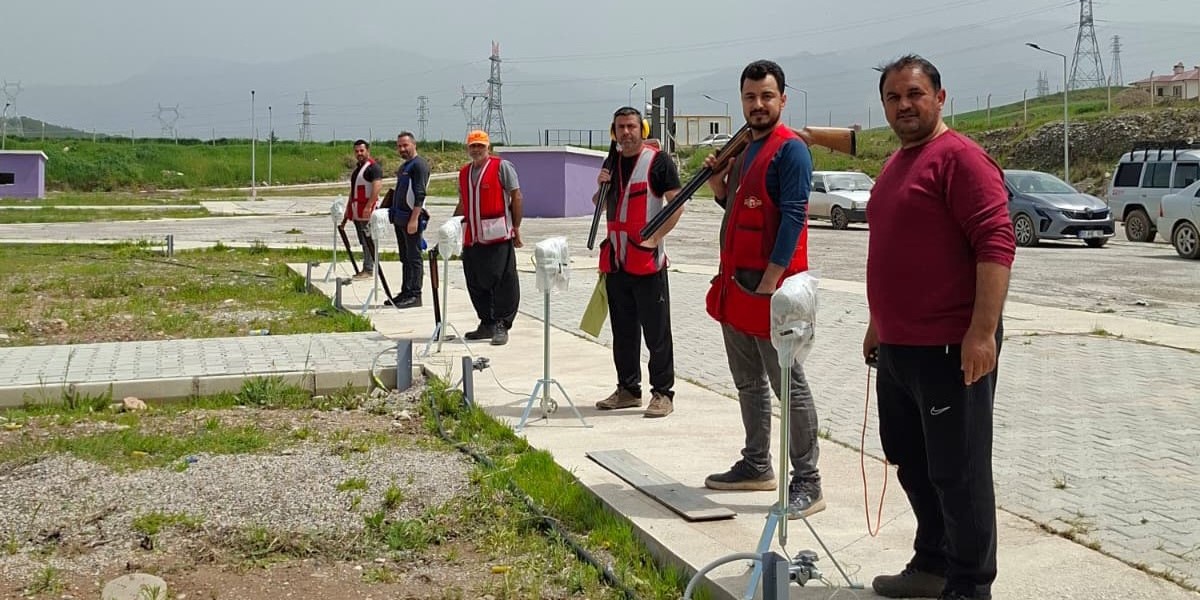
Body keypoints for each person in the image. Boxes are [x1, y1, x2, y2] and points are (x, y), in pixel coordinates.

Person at [864, 55, 1015, 600]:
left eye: (915, 94)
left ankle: (970, 585)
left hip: (952, 347)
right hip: (900, 347)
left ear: (940, 98)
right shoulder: (897, 163)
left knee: (959, 471)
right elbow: (894, 249)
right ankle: (932, 563)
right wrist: (878, 323)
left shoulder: (962, 160)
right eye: (894, 97)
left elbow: (996, 245)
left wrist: (982, 333)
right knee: (910, 459)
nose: (904, 105)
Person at [700, 59, 824, 519]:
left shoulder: (790, 150)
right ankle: (756, 465)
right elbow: (739, 211)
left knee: (788, 386)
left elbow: (793, 215)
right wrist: (717, 187)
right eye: (750, 97)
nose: (758, 105)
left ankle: (808, 481)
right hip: (737, 288)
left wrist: (772, 281)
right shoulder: (746, 149)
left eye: (767, 96)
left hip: (773, 293)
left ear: (783, 100)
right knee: (748, 383)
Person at [592, 107, 683, 419]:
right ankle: (628, 390)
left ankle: (663, 392)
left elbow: (677, 203)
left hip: (647, 262)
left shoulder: (658, 162)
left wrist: (656, 237)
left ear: (641, 129)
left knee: (657, 333)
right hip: (617, 262)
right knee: (623, 332)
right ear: (614, 131)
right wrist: (601, 185)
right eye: (621, 127)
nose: (626, 132)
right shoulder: (612, 162)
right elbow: (600, 205)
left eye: (631, 126)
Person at [454, 130, 523, 346]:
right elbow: (463, 202)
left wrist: (517, 227)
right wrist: (452, 226)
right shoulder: (464, 173)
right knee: (475, 280)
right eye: (472, 146)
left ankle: (502, 324)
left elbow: (516, 196)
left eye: (480, 145)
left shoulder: (501, 167)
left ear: (488, 147)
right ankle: (486, 323)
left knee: (502, 280)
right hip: (472, 237)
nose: (476, 149)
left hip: (497, 235)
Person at [385, 131, 431, 308]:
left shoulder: (419, 165)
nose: (402, 149)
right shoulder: (404, 167)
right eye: (399, 146)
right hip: (400, 218)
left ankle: (415, 294)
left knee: (414, 258)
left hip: (411, 220)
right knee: (405, 257)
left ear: (414, 144)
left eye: (405, 145)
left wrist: (414, 219)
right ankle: (405, 291)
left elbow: (420, 194)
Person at [342, 139, 383, 279]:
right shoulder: (357, 170)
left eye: (361, 150)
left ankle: (369, 269)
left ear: (367, 151)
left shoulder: (373, 168)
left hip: (367, 212)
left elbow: (377, 187)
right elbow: (353, 192)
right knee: (363, 241)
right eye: (357, 151)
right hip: (357, 211)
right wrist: (348, 210)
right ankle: (367, 266)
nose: (359, 153)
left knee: (368, 241)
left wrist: (369, 206)